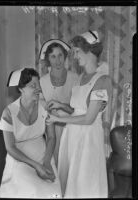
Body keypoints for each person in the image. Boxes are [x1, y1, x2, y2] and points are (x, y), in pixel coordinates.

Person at [46, 30, 112, 198]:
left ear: (89, 50)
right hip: (73, 136)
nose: (74, 56)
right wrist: (62, 105)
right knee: (71, 183)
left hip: (88, 139)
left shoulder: (103, 80)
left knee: (84, 182)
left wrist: (58, 118)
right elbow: (78, 110)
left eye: (76, 51)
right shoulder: (82, 76)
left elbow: (89, 118)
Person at [0, 68, 62, 198]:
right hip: (20, 159)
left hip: (44, 156)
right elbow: (10, 147)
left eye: (39, 84)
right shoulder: (9, 113)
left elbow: (51, 137)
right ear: (21, 89)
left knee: (52, 191)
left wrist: (46, 162)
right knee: (31, 190)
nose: (38, 89)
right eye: (33, 86)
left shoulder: (45, 107)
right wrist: (36, 166)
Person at [39, 39, 79, 167]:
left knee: (71, 162)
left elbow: (78, 109)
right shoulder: (42, 81)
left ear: (65, 56)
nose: (57, 60)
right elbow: (41, 107)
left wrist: (62, 107)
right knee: (55, 161)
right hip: (51, 130)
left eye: (60, 55)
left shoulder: (75, 78)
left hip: (72, 126)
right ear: (48, 59)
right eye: (53, 56)